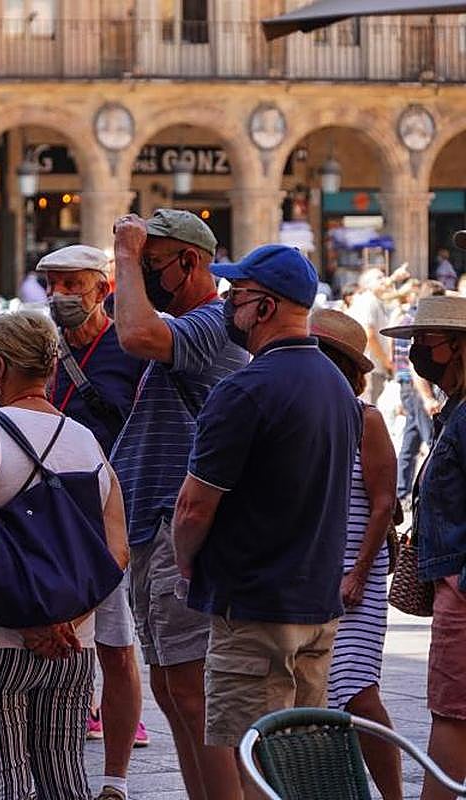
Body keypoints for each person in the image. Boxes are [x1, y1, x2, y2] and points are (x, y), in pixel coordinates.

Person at [172, 245, 361, 796]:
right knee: (297, 769)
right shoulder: (337, 388)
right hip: (315, 606)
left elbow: (193, 506)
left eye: (237, 295)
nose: (229, 304)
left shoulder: (244, 391)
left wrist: (186, 565)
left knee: (254, 767)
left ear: (265, 306)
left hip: (255, 608)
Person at [0, 310, 130, 799]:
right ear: (49, 369)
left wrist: (31, 623)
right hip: (72, 645)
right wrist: (66, 621)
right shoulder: (86, 440)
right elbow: (118, 550)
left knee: (5, 785)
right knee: (64, 780)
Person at [109, 209, 249, 799]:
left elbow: (136, 334)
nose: (143, 276)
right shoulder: (191, 327)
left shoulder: (212, 322)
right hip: (152, 529)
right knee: (171, 689)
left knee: (194, 697)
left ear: (190, 262)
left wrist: (122, 253)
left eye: (152, 265)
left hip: (176, 527)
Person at [38, 245, 149, 800]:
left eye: (71, 284)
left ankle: (115, 777)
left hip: (113, 519)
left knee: (116, 645)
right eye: (51, 285)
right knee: (59, 643)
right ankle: (57, 763)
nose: (60, 296)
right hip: (53, 519)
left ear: (103, 289)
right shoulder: (45, 352)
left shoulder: (129, 350)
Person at [309, 308, 403, 800]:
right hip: (311, 574)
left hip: (353, 573)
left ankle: (392, 794)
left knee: (357, 689)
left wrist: (359, 572)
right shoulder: (304, 416)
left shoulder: (365, 420)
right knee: (320, 694)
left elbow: (384, 502)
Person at [380, 291, 466, 800]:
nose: (416, 349)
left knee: (451, 709)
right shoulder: (452, 409)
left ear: (453, 347)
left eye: (424, 340)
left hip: (459, 582)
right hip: (452, 576)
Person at [394, 281, 443, 507]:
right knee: (427, 439)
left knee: (414, 437)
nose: (420, 346)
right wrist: (426, 397)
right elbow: (414, 367)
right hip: (416, 389)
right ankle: (403, 489)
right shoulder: (412, 321)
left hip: (415, 388)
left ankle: (402, 489)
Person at [349, 269, 395, 404]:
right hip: (371, 366)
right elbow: (369, 334)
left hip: (373, 365)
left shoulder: (374, 300)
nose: (383, 280)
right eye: (378, 278)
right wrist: (386, 361)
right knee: (370, 408)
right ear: (368, 284)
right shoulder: (368, 301)